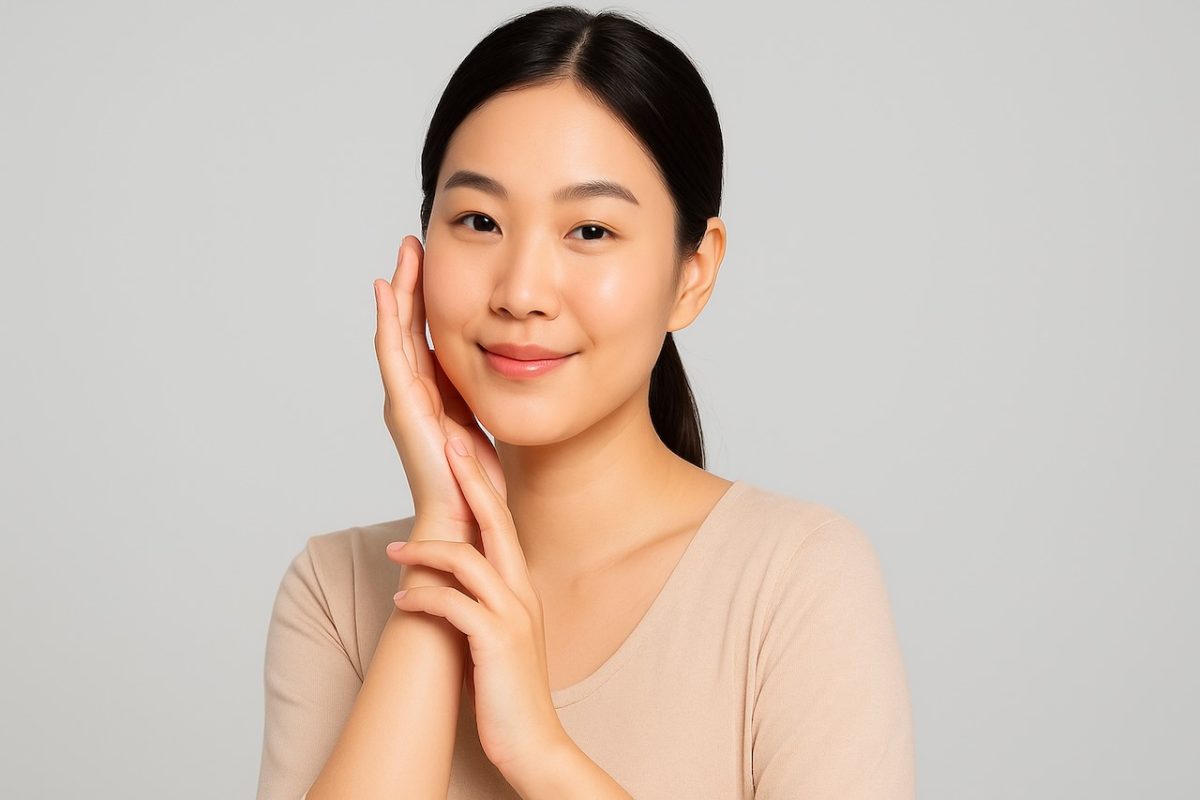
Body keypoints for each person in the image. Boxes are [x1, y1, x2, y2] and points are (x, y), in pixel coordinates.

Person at [256, 5, 915, 798]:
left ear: (693, 272)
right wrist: (447, 539)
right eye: (479, 220)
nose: (522, 292)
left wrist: (539, 749)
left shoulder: (795, 580)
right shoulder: (338, 591)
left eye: (591, 231)